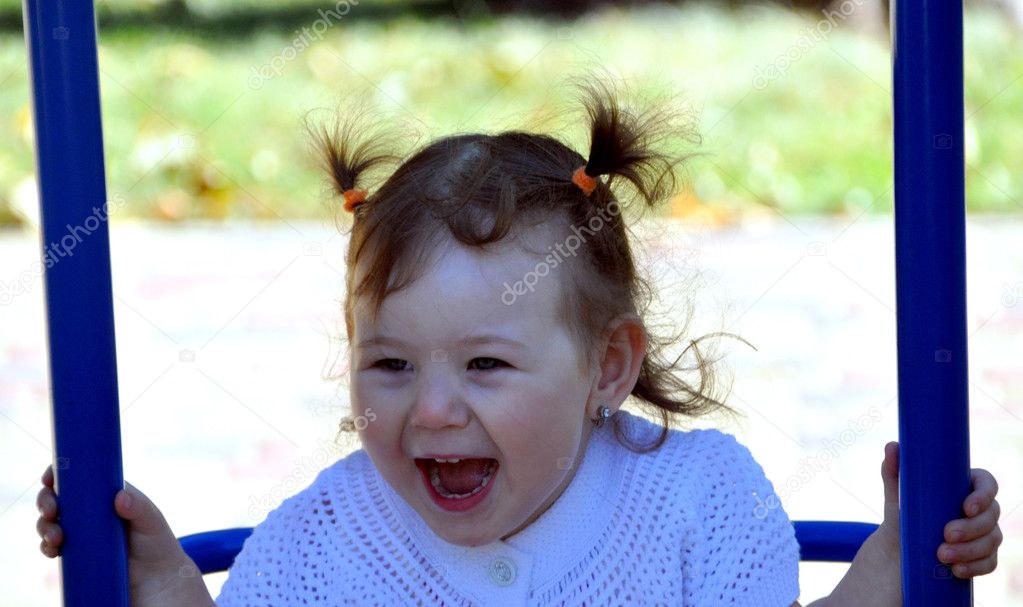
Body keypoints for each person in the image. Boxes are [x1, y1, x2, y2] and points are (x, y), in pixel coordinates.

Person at [35, 73, 1003, 606]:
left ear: (607, 367)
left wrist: (900, 559)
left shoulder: (697, 506)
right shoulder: (326, 538)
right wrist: (158, 581)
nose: (433, 407)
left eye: (486, 363)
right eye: (391, 364)